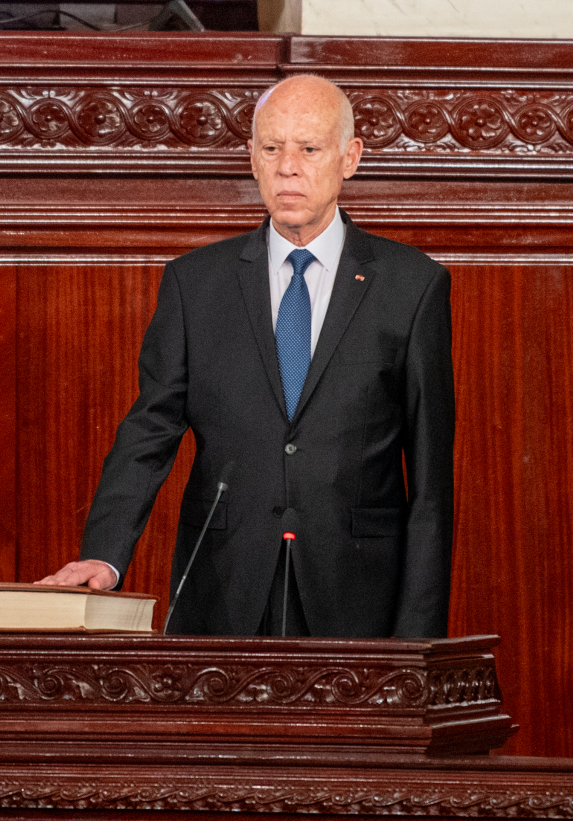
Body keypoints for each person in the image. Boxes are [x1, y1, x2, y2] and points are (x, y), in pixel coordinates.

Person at [38, 75, 454, 638]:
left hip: (359, 595)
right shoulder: (195, 283)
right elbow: (150, 429)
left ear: (349, 158)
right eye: (271, 147)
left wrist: (418, 634)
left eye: (308, 148)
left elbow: (430, 479)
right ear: (251, 159)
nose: (288, 166)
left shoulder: (412, 285)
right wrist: (106, 555)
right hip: (223, 585)